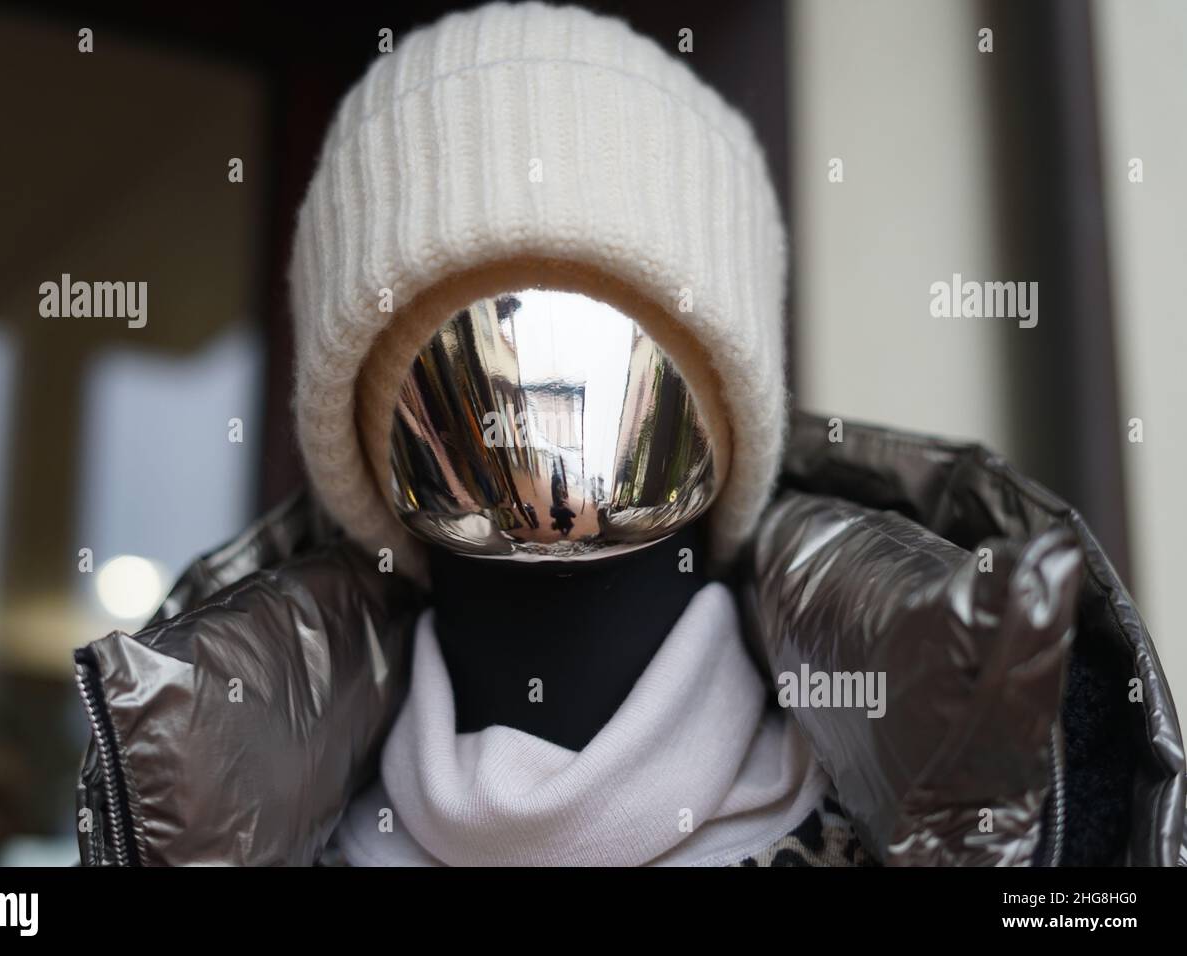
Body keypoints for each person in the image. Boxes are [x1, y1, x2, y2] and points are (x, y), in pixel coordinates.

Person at [73, 2, 1184, 867]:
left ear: (726, 391)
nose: (539, 412)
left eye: (617, 329)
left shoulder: (1029, 790)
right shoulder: (196, 813)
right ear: (358, 422)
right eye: (461, 339)